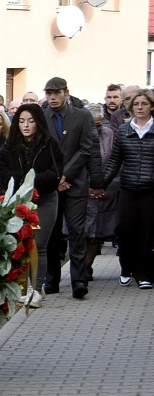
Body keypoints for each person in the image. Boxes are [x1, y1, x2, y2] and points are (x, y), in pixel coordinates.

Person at [0, 103, 64, 307]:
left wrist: (31, 181)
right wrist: (21, 180)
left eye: (31, 121)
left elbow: (55, 173)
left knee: (39, 245)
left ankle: (36, 289)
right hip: (18, 201)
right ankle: (22, 289)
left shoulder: (50, 144)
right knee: (20, 245)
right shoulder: (10, 144)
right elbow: (1, 171)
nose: (26, 125)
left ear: (38, 123)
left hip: (45, 199)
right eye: (22, 121)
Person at [41, 77, 100, 299]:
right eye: (49, 93)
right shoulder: (43, 116)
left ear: (66, 93)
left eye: (56, 93)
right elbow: (41, 151)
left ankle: (79, 280)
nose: (52, 97)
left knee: (77, 232)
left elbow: (87, 149)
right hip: (51, 185)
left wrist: (67, 175)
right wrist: (57, 178)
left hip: (75, 183)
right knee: (52, 235)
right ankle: (51, 280)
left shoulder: (82, 115)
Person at [97, 88, 154, 288]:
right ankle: (126, 267)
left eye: (144, 104)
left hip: (150, 189)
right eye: (136, 104)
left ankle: (144, 273)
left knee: (147, 233)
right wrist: (100, 184)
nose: (139, 107)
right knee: (126, 229)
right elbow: (114, 160)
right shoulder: (124, 130)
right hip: (128, 187)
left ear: (151, 107)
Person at [83, 103, 118, 282]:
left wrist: (101, 185)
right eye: (92, 124)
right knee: (82, 233)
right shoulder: (79, 134)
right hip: (81, 191)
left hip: (103, 191)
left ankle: (86, 267)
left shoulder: (109, 134)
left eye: (98, 124)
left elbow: (113, 160)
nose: (96, 128)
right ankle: (80, 268)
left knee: (95, 236)